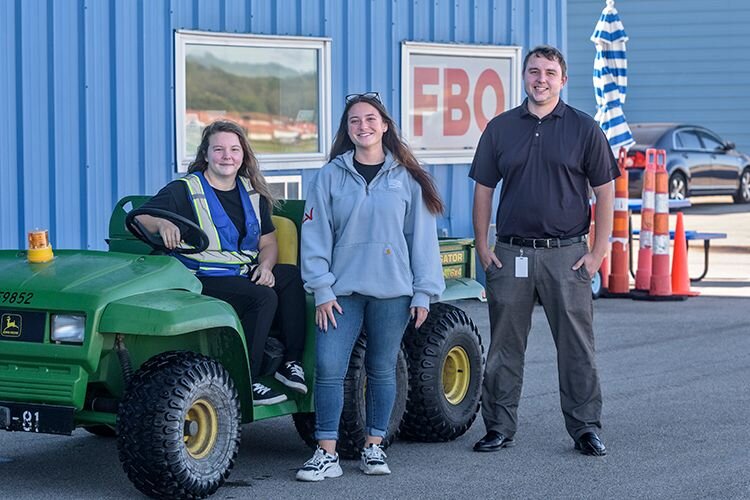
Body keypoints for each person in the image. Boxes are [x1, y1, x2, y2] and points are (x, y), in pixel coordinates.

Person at [470, 45, 618, 457]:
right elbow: (484, 189)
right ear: (524, 77)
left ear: (563, 79)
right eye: (534, 71)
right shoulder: (500, 129)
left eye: (550, 72)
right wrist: (483, 246)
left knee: (577, 348)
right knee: (504, 347)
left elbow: (606, 193)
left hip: (566, 255)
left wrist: (598, 253)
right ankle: (498, 426)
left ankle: (586, 427)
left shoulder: (584, 129)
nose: (541, 79)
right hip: (511, 253)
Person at [296, 92, 445, 481]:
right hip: (340, 293)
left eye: (370, 119)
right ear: (347, 130)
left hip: (392, 291)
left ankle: (374, 447)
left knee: (381, 369)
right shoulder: (329, 176)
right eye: (354, 121)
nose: (363, 126)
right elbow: (314, 236)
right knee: (328, 367)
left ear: (385, 125)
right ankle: (325, 451)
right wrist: (321, 288)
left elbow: (422, 239)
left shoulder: (408, 177)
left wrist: (423, 291)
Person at [133, 120, 307, 406]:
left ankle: (291, 364)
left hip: (240, 273)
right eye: (219, 149)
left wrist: (265, 266)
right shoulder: (184, 189)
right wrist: (162, 221)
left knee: (288, 276)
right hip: (197, 277)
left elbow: (268, 242)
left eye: (234, 150)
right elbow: (142, 217)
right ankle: (246, 382)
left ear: (243, 156)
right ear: (206, 154)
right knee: (262, 297)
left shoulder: (253, 193)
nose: (227, 156)